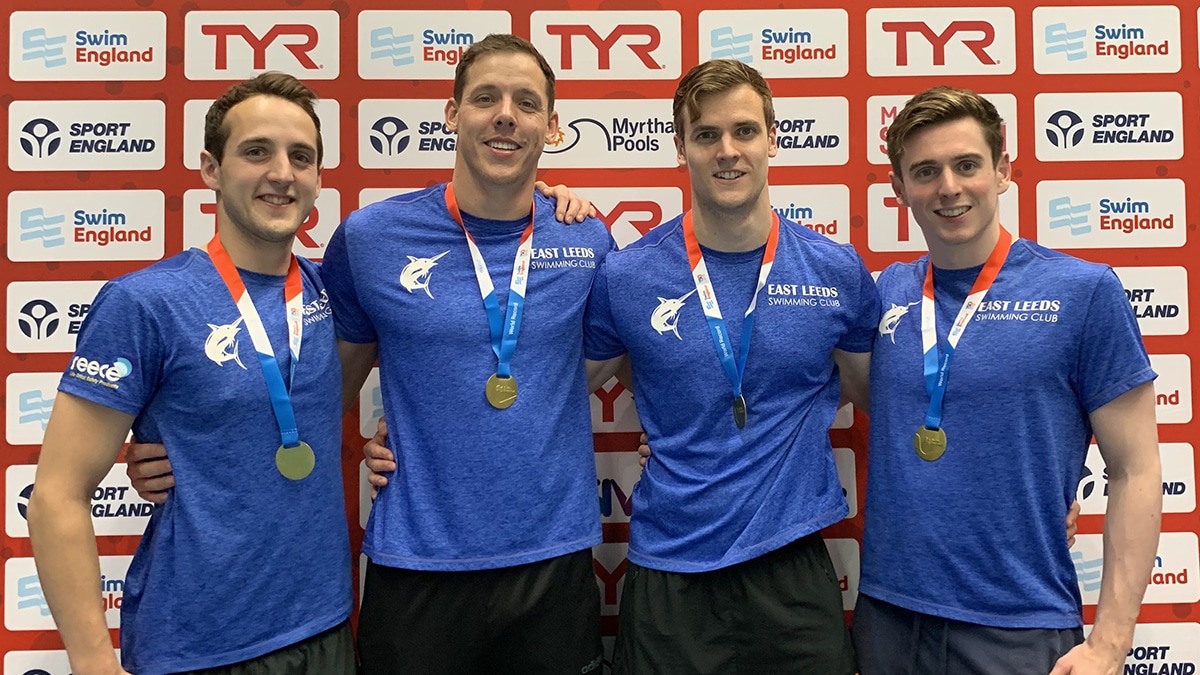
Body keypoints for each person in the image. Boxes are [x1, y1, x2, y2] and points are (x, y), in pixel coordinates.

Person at [28, 72, 357, 675]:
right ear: (211, 169)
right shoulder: (144, 303)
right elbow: (56, 494)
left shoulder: (327, 289)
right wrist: (93, 662)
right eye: (256, 152)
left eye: (301, 157)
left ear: (317, 178)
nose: (282, 173)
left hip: (325, 627)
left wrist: (552, 195)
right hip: (196, 646)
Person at [321, 34, 618, 674]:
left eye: (526, 103)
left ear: (553, 125)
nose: (505, 115)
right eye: (485, 98)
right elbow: (325, 393)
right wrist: (181, 452)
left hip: (552, 561)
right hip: (416, 564)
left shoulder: (588, 237)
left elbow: (615, 362)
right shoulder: (371, 238)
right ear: (453, 114)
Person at [576, 59, 878, 673]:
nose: (727, 151)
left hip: (791, 562)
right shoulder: (628, 275)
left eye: (744, 131)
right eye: (706, 135)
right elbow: (551, 393)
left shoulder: (833, 270)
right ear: (680, 146)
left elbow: (890, 402)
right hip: (669, 568)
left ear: (773, 138)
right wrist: (423, 437)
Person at [852, 86, 1162, 675]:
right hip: (888, 619)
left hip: (1019, 626)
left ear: (1002, 171)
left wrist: (1110, 645)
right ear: (899, 189)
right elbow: (791, 385)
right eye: (925, 171)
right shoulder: (885, 293)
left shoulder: (1084, 292)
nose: (948, 187)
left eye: (967, 165)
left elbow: (1136, 468)